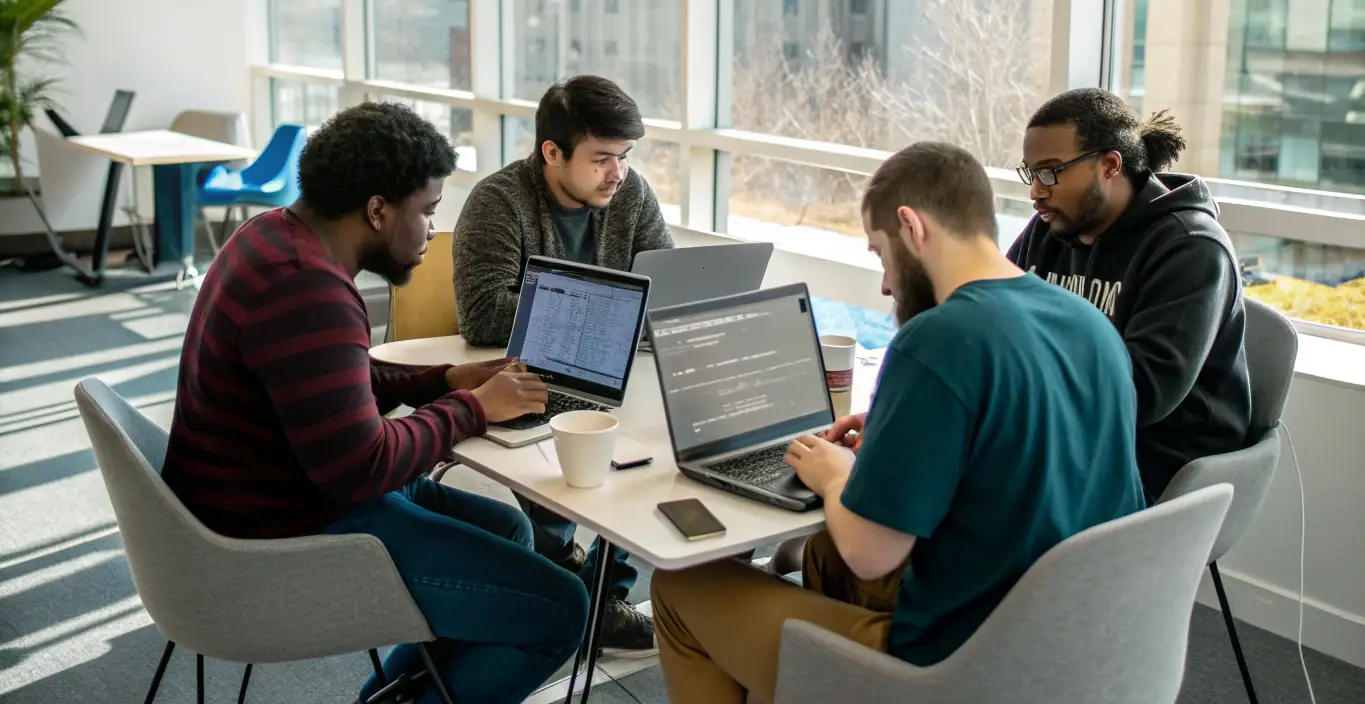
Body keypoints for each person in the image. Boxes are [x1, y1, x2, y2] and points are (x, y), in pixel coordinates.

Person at [650, 143, 1145, 703]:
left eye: (880, 254)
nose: (885, 284)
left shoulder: (938, 338)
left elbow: (872, 553)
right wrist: (895, 433)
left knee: (680, 586)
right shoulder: (1090, 323)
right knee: (821, 557)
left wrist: (836, 475)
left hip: (962, 671)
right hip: (1077, 648)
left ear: (910, 227)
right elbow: (1015, 444)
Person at [162, 102, 587, 704]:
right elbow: (362, 466)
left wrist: (446, 380)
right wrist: (473, 409)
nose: (433, 230)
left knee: (510, 527)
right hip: (286, 535)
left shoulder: (272, 236)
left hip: (277, 490)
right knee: (562, 607)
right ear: (378, 210)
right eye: (428, 211)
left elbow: (335, 380)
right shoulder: (307, 289)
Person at [453, 75, 672, 651]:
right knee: (605, 451)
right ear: (552, 153)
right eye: (601, 159)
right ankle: (564, 576)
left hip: (609, 374)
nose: (617, 174)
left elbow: (663, 287)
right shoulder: (499, 201)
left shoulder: (632, 195)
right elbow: (483, 314)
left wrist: (593, 313)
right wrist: (610, 311)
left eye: (624, 157)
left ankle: (603, 596)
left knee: (656, 446)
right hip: (523, 378)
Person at [1006, 88, 1252, 498]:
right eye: (1031, 174)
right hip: (1073, 441)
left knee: (966, 501)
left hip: (1156, 466)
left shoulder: (1190, 248)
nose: (1036, 192)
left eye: (1050, 172)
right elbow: (990, 317)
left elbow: (1141, 394)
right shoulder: (1053, 227)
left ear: (1109, 165)